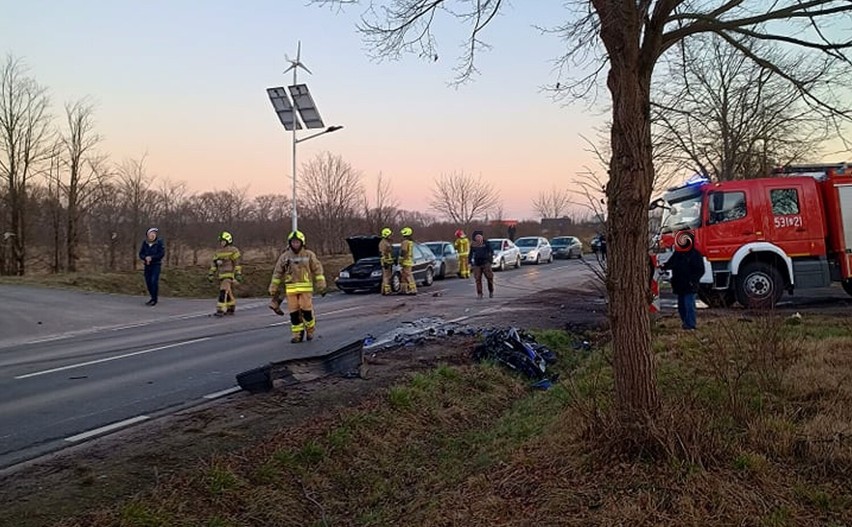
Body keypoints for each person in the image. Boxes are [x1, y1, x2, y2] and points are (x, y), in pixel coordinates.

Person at [269, 230, 326, 343]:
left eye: (297, 242)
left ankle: (310, 329)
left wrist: (321, 284)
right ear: (290, 243)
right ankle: (298, 335)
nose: (295, 244)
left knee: (306, 310)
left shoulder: (309, 255)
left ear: (302, 242)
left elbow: (317, 269)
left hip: (305, 289)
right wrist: (273, 286)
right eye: (293, 242)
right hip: (291, 289)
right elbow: (277, 273)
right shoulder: (284, 256)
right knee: (294, 314)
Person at [661, 230, 705, 330]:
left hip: (690, 285)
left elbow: (700, 270)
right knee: (681, 307)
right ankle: (686, 323)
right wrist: (663, 266)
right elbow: (670, 263)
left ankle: (690, 325)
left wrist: (693, 281)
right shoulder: (678, 254)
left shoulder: (695, 254)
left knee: (689, 305)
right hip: (679, 284)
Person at [208, 231, 242, 317]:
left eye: (223, 241)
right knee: (228, 291)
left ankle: (220, 309)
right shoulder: (218, 252)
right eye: (221, 241)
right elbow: (214, 264)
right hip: (221, 275)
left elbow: (237, 263)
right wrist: (211, 273)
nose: (221, 243)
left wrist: (238, 274)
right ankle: (231, 307)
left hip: (229, 274)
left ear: (228, 241)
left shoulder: (233, 250)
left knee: (223, 291)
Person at [138, 227, 165, 306]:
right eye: (151, 234)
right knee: (148, 282)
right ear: (148, 235)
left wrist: (152, 257)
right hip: (147, 265)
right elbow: (141, 254)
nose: (152, 235)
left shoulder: (159, 243)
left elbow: (161, 254)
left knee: (154, 281)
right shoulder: (145, 243)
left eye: (154, 234)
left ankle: (154, 299)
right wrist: (145, 257)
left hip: (156, 265)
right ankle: (152, 297)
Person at [468, 230, 495, 299]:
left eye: (480, 237)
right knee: (478, 279)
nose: (479, 238)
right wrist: (469, 262)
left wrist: (490, 260)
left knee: (489, 277)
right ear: (475, 238)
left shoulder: (486, 243)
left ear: (482, 237)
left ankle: (491, 291)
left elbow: (491, 252)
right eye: (477, 237)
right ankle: (479, 293)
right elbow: (470, 254)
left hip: (486, 263)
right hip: (477, 264)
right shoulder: (473, 245)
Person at [399, 226, 417, 295]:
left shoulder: (405, 242)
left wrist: (400, 259)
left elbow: (403, 251)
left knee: (408, 275)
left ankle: (413, 289)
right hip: (409, 260)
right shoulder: (410, 242)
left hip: (405, 261)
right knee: (403, 276)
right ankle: (403, 289)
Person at [379, 227, 395, 295]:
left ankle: (383, 290)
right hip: (385, 262)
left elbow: (389, 252)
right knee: (386, 277)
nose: (391, 236)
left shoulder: (387, 242)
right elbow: (382, 253)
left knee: (388, 276)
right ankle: (387, 290)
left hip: (388, 262)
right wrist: (385, 262)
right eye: (390, 234)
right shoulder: (383, 243)